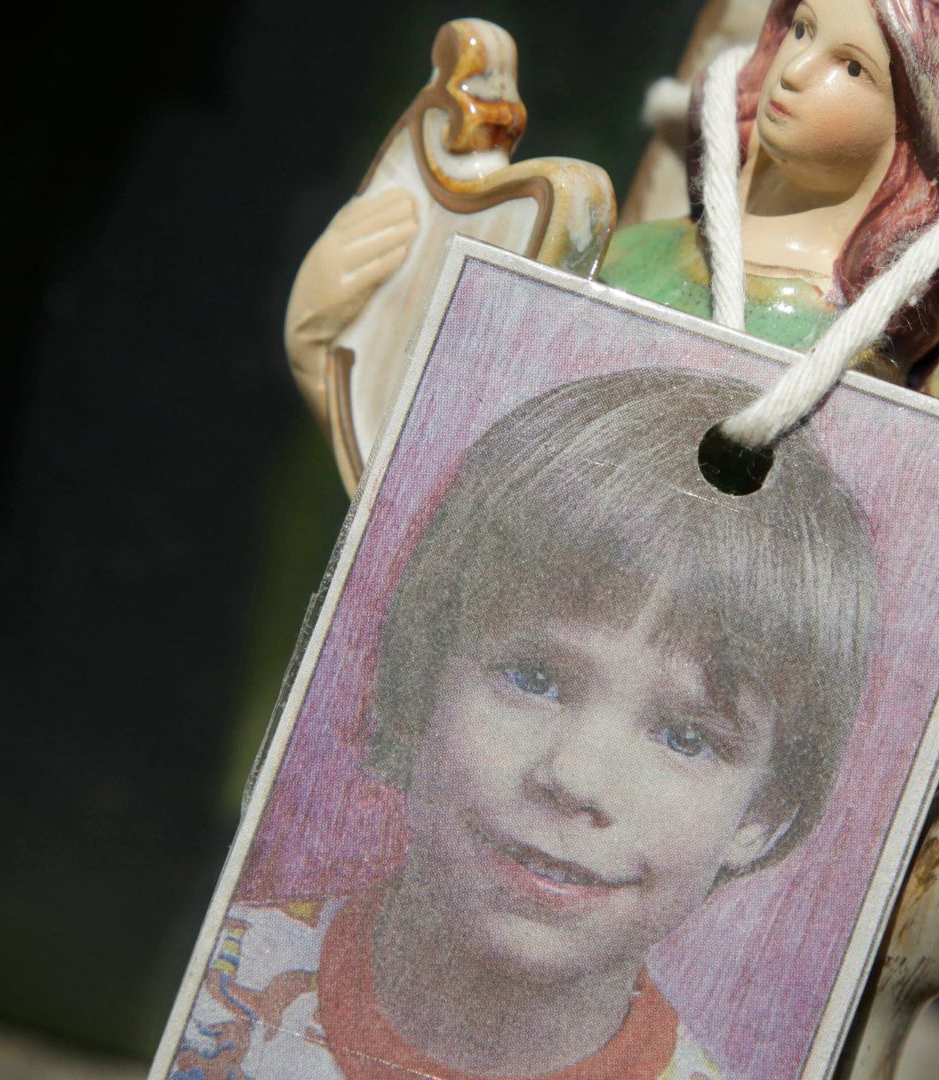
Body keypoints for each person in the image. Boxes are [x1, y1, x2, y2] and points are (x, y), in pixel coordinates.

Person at [170, 369, 879, 1080]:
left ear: (763, 812)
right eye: (534, 679)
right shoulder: (210, 989)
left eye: (685, 738)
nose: (575, 778)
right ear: (422, 676)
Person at [286, 0, 939, 397]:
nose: (795, 69)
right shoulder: (629, 251)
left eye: (851, 68)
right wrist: (321, 348)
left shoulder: (848, 371)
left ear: (919, 131)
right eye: (800, 28)